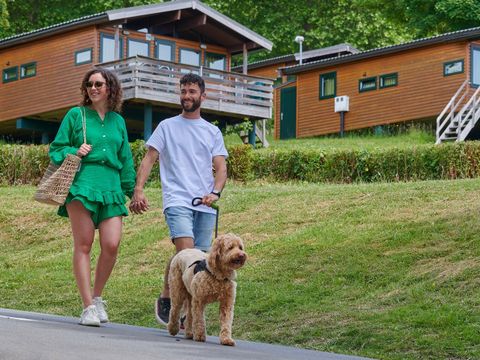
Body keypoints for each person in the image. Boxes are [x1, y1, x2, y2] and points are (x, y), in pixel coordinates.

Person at [129, 73, 228, 326]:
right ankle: (176, 306)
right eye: (183, 91)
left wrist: (215, 192)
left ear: (202, 96)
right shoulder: (167, 126)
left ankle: (172, 297)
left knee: (199, 260)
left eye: (192, 91)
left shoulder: (212, 131)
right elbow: (149, 158)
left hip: (204, 204)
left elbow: (221, 167)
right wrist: (138, 189)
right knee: (187, 253)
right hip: (176, 200)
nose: (187, 96)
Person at [49, 68, 136, 326]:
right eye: (89, 84)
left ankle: (97, 298)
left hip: (110, 186)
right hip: (82, 184)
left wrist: (132, 192)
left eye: (98, 83)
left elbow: (126, 159)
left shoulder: (118, 121)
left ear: (110, 87)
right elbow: (56, 148)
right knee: (84, 245)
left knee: (111, 245)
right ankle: (87, 307)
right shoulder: (76, 115)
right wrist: (75, 150)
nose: (93, 88)